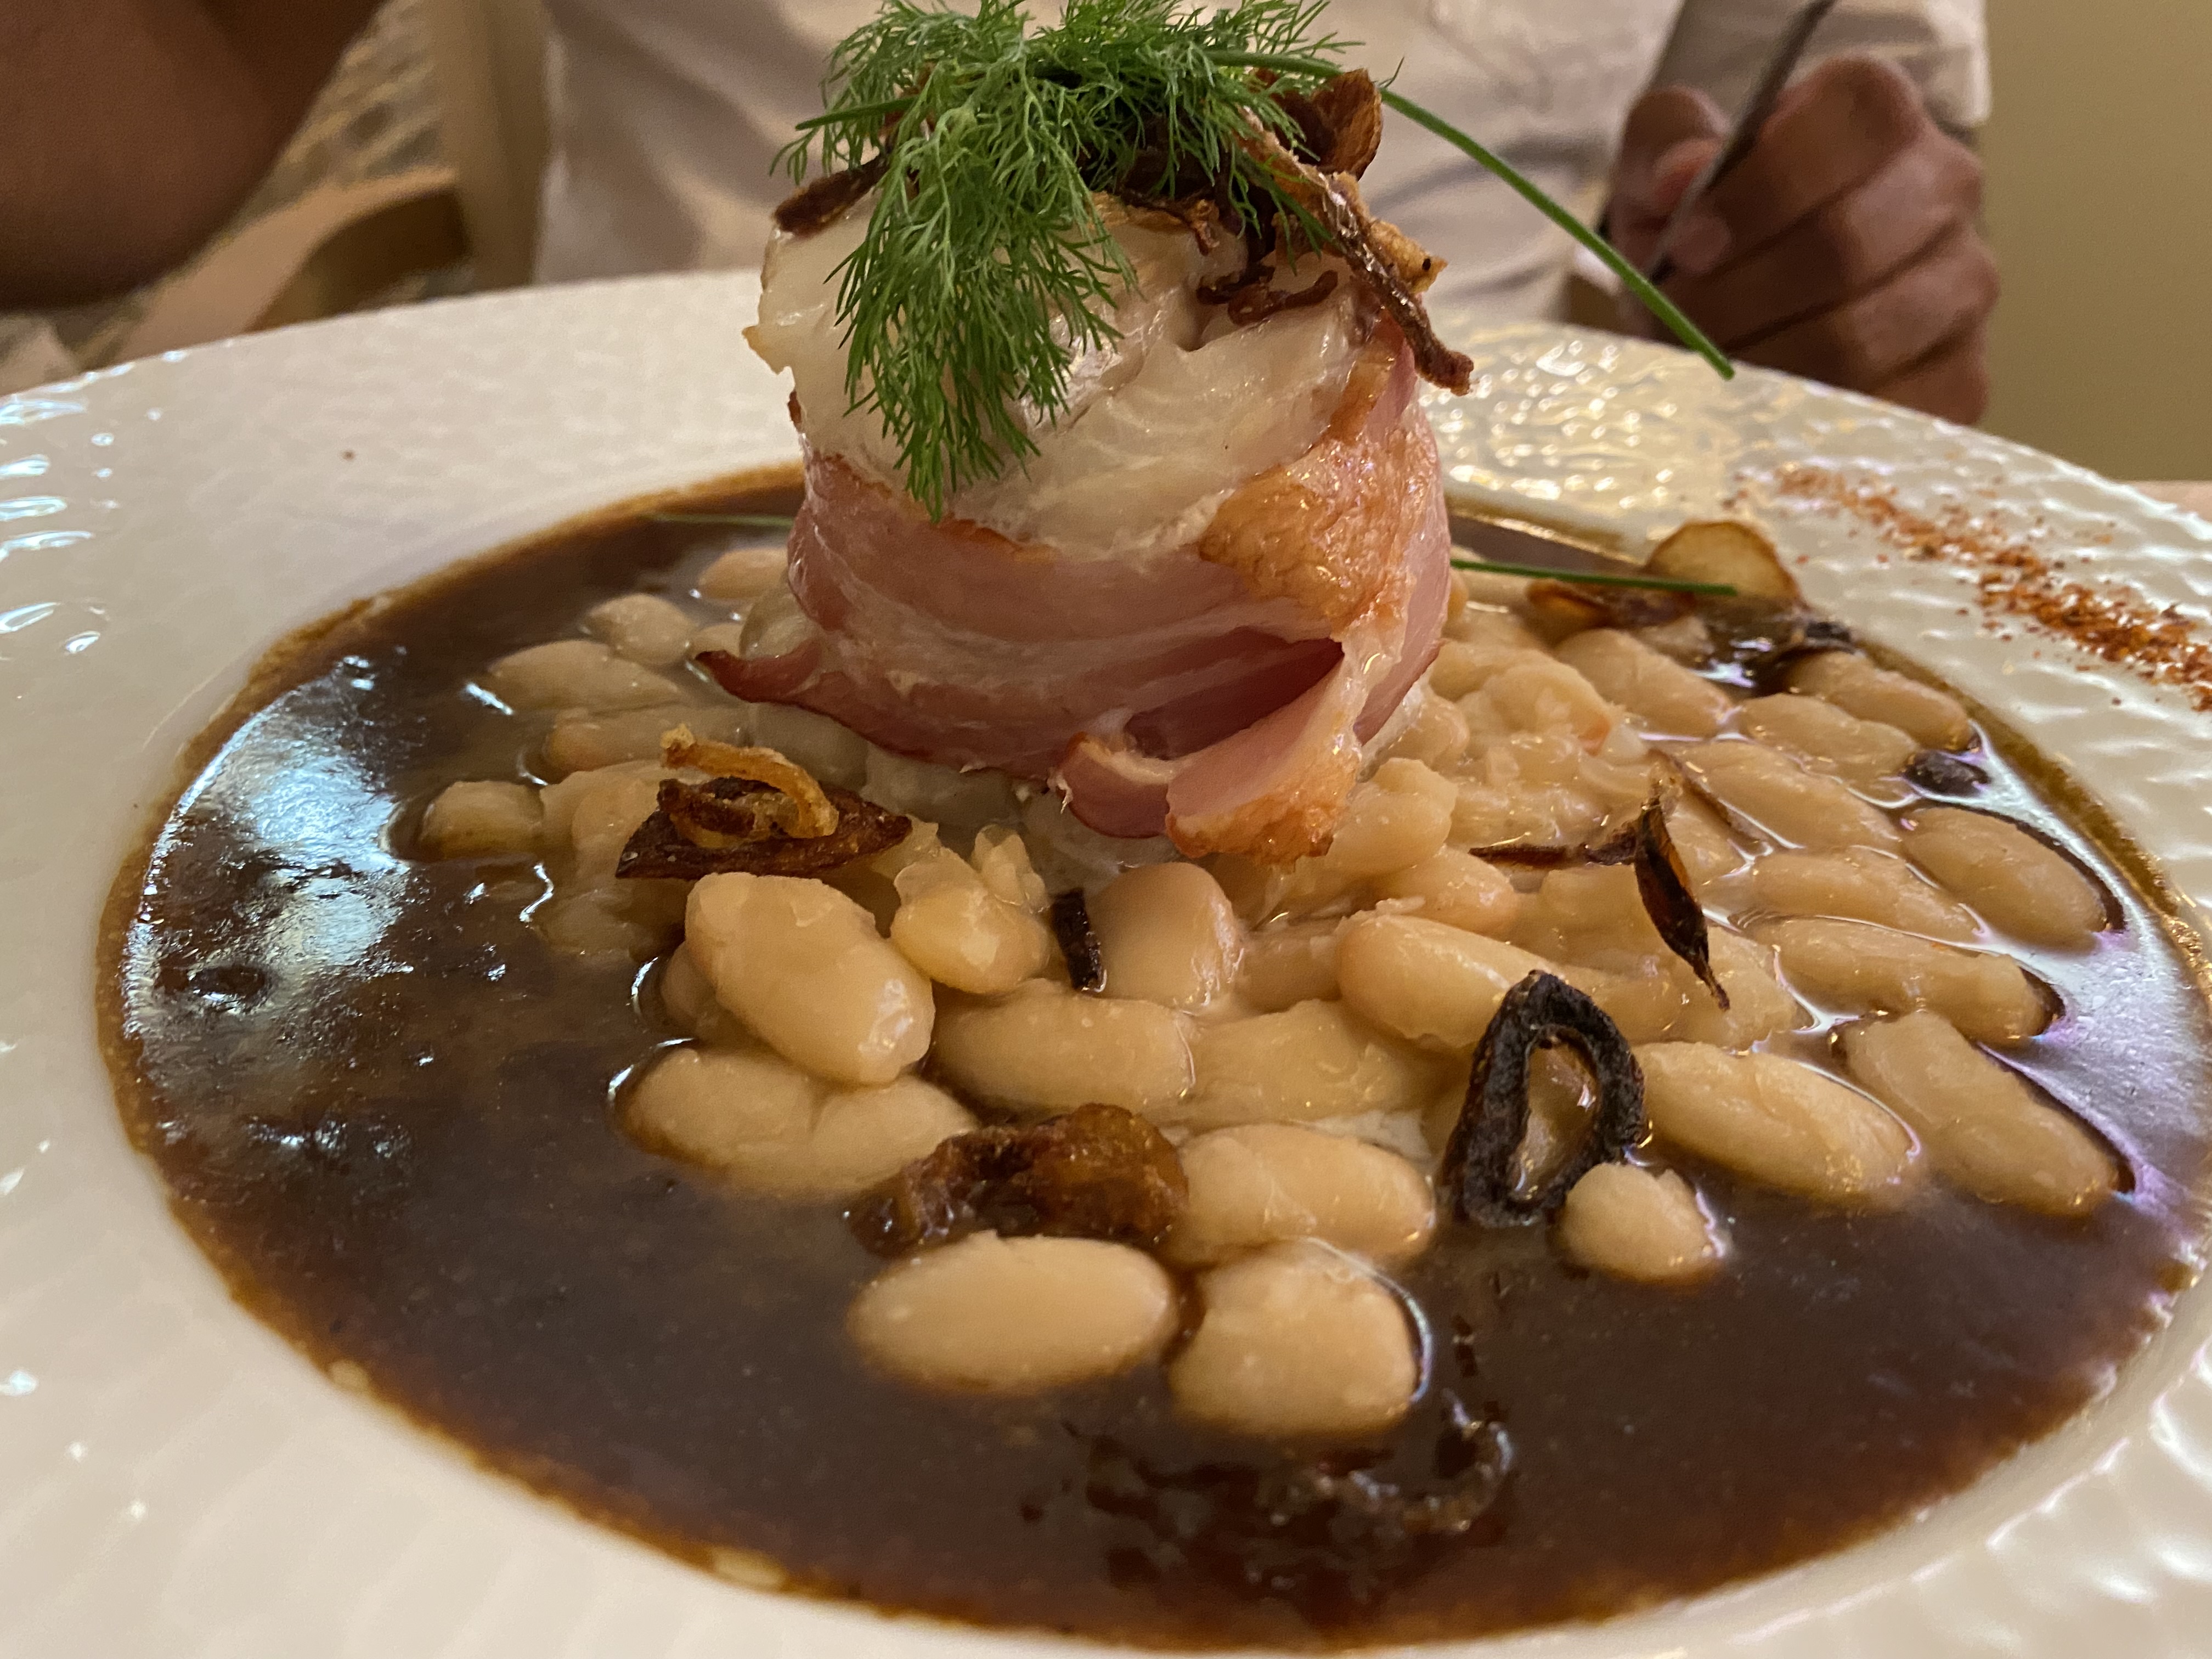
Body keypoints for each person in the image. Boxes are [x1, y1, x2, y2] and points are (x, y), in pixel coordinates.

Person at [0, 0, 1993, 420]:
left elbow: (1827, 230)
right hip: (642, 526)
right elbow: (162, 72)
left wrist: (1794, 307)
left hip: (1484, 548)